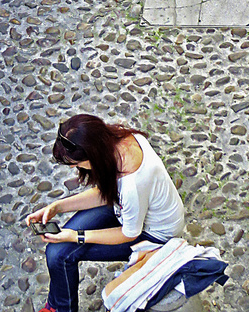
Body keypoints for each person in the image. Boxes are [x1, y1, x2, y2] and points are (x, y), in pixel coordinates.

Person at [26, 115, 186, 312]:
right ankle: (58, 306)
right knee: (56, 251)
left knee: (60, 254)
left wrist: (77, 236)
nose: (75, 168)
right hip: (129, 211)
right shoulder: (119, 141)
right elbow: (106, 193)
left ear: (92, 154)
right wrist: (57, 207)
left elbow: (129, 233)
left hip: (154, 235)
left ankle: (60, 309)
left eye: (76, 163)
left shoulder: (131, 184)